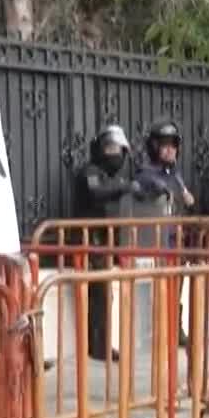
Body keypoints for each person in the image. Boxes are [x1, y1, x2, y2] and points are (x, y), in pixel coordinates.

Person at [77, 124, 135, 362]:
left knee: (103, 293)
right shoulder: (90, 172)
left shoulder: (113, 177)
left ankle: (99, 342)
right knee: (97, 293)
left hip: (104, 241)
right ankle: (96, 345)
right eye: (110, 148)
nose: (114, 154)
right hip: (88, 241)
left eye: (118, 149)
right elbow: (97, 193)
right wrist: (125, 187)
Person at [133, 120, 194, 213]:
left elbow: (187, 204)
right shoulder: (144, 175)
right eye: (165, 144)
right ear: (153, 146)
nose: (170, 150)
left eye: (174, 144)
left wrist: (188, 200)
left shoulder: (176, 175)